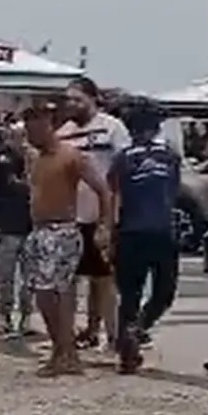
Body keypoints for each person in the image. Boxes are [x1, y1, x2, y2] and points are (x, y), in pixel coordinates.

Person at [23, 104, 112, 377]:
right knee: (42, 295)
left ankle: (65, 353)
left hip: (62, 230)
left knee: (55, 294)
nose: (30, 135)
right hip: (39, 231)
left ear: (47, 125)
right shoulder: (36, 159)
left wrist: (104, 225)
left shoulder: (72, 156)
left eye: (34, 129)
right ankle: (63, 351)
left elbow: (103, 190)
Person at [108, 97, 181, 374]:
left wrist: (111, 231)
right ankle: (137, 330)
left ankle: (127, 345)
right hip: (162, 230)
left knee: (129, 293)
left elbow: (114, 196)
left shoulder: (122, 159)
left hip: (130, 231)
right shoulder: (170, 156)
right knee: (164, 292)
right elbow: (172, 193)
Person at [56, 76, 130, 352]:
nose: (72, 104)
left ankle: (112, 336)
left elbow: (124, 170)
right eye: (69, 99)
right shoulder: (63, 133)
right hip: (72, 214)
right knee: (72, 277)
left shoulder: (113, 128)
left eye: (78, 98)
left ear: (92, 98)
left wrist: (113, 215)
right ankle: (83, 332)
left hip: (103, 214)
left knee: (104, 279)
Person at [0, 121, 34, 336]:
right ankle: (3, 315)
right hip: (8, 225)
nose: (20, 141)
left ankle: (27, 317)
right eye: (16, 136)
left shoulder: (35, 158)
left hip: (31, 225)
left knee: (30, 277)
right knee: (5, 277)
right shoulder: (2, 160)